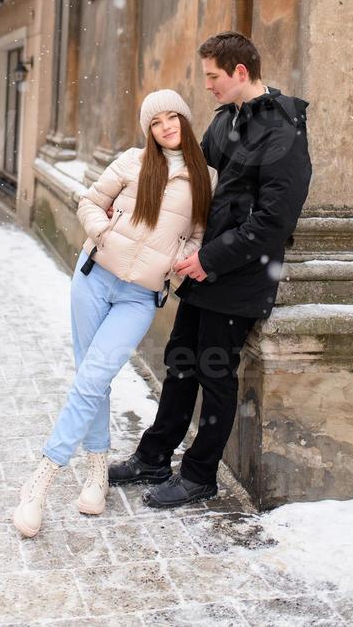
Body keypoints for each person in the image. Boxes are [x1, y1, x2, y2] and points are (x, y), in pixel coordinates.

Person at [109, 32, 312, 508]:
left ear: (241, 72)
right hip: (201, 272)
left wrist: (209, 258)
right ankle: (156, 455)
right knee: (181, 362)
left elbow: (274, 221)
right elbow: (196, 176)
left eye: (213, 77)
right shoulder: (226, 121)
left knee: (215, 373)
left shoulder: (284, 132)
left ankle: (200, 475)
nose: (208, 87)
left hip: (239, 276)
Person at [12, 90, 217, 537]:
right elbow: (88, 200)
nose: (166, 127)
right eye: (157, 121)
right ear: (149, 129)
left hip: (139, 297)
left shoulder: (207, 179)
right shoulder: (132, 161)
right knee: (93, 376)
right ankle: (96, 471)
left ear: (184, 118)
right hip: (95, 277)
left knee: (94, 374)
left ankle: (41, 480)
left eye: (172, 117)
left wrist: (174, 268)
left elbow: (198, 237)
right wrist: (102, 230)